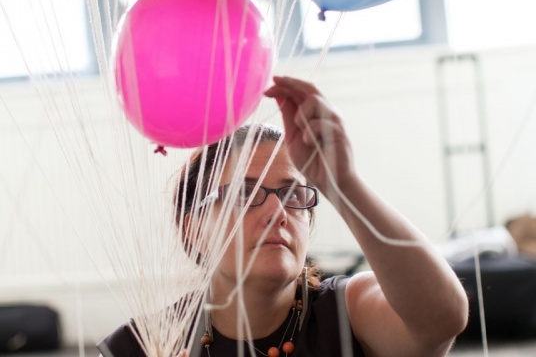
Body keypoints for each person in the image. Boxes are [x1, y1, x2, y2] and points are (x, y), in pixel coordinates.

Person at [100, 76, 469, 357]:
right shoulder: (142, 345)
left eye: (293, 195)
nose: (278, 211)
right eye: (244, 193)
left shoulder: (347, 312)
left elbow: (442, 319)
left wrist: (343, 184)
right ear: (194, 227)